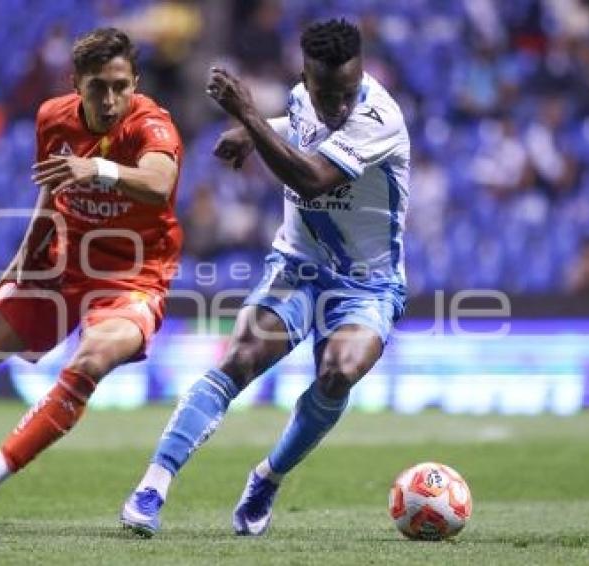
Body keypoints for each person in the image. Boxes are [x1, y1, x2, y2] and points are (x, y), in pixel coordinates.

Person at [121, 19, 410, 537]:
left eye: (347, 94)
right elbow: (298, 120)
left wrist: (246, 116)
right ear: (305, 75)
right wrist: (257, 131)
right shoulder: (303, 98)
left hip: (367, 284)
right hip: (298, 265)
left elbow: (313, 179)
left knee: (338, 372)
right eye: (327, 94)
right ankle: (152, 486)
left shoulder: (378, 118)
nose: (337, 107)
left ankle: (267, 478)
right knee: (242, 357)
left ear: (361, 76)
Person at [0, 27, 184, 524]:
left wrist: (102, 171)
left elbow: (159, 183)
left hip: (133, 276)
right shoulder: (52, 117)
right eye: (98, 87)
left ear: (135, 82)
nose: (111, 100)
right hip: (62, 264)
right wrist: (23, 256)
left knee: (89, 362)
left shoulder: (152, 126)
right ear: (76, 84)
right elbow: (52, 191)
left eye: (121, 86)